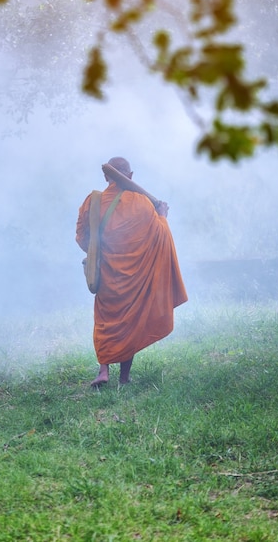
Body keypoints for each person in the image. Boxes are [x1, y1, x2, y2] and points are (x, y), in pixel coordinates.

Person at [76, 157, 188, 386]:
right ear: (131, 176)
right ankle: (124, 378)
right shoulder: (143, 203)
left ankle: (103, 371)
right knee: (130, 322)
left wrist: (101, 251)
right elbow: (160, 236)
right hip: (134, 276)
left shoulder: (93, 201)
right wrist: (163, 216)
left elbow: (82, 237)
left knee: (105, 320)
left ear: (106, 177)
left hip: (105, 274)